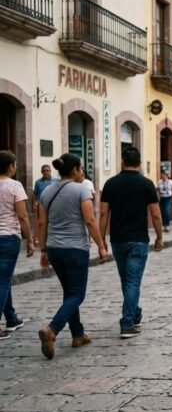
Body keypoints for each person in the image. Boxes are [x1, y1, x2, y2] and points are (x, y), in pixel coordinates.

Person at [38, 154, 108, 359]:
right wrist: (101, 246)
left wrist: (43, 250)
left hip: (54, 248)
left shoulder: (46, 191)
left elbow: (42, 223)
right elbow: (90, 219)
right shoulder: (81, 189)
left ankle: (78, 334)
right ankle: (52, 330)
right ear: (76, 170)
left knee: (69, 291)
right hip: (75, 248)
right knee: (77, 294)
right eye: (81, 168)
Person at [99, 147, 163, 339]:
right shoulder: (146, 184)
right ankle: (127, 323)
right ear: (139, 162)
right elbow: (156, 214)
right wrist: (159, 236)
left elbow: (103, 214)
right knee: (132, 281)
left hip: (118, 239)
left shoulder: (110, 184)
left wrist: (101, 239)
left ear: (122, 161)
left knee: (126, 281)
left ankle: (135, 314)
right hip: (138, 239)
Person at [0, 151, 33, 340]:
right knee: (3, 280)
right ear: (11, 167)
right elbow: (22, 216)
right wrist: (29, 239)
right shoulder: (14, 186)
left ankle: (11, 318)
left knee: (4, 279)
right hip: (8, 237)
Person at [32, 164, 56, 245]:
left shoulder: (56, 181)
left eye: (47, 170)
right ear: (42, 172)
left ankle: (51, 240)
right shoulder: (38, 182)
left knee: (51, 222)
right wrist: (34, 205)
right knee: (41, 223)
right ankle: (42, 240)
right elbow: (35, 194)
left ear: (50, 171)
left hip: (53, 205)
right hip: (41, 206)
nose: (46, 172)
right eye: (44, 171)